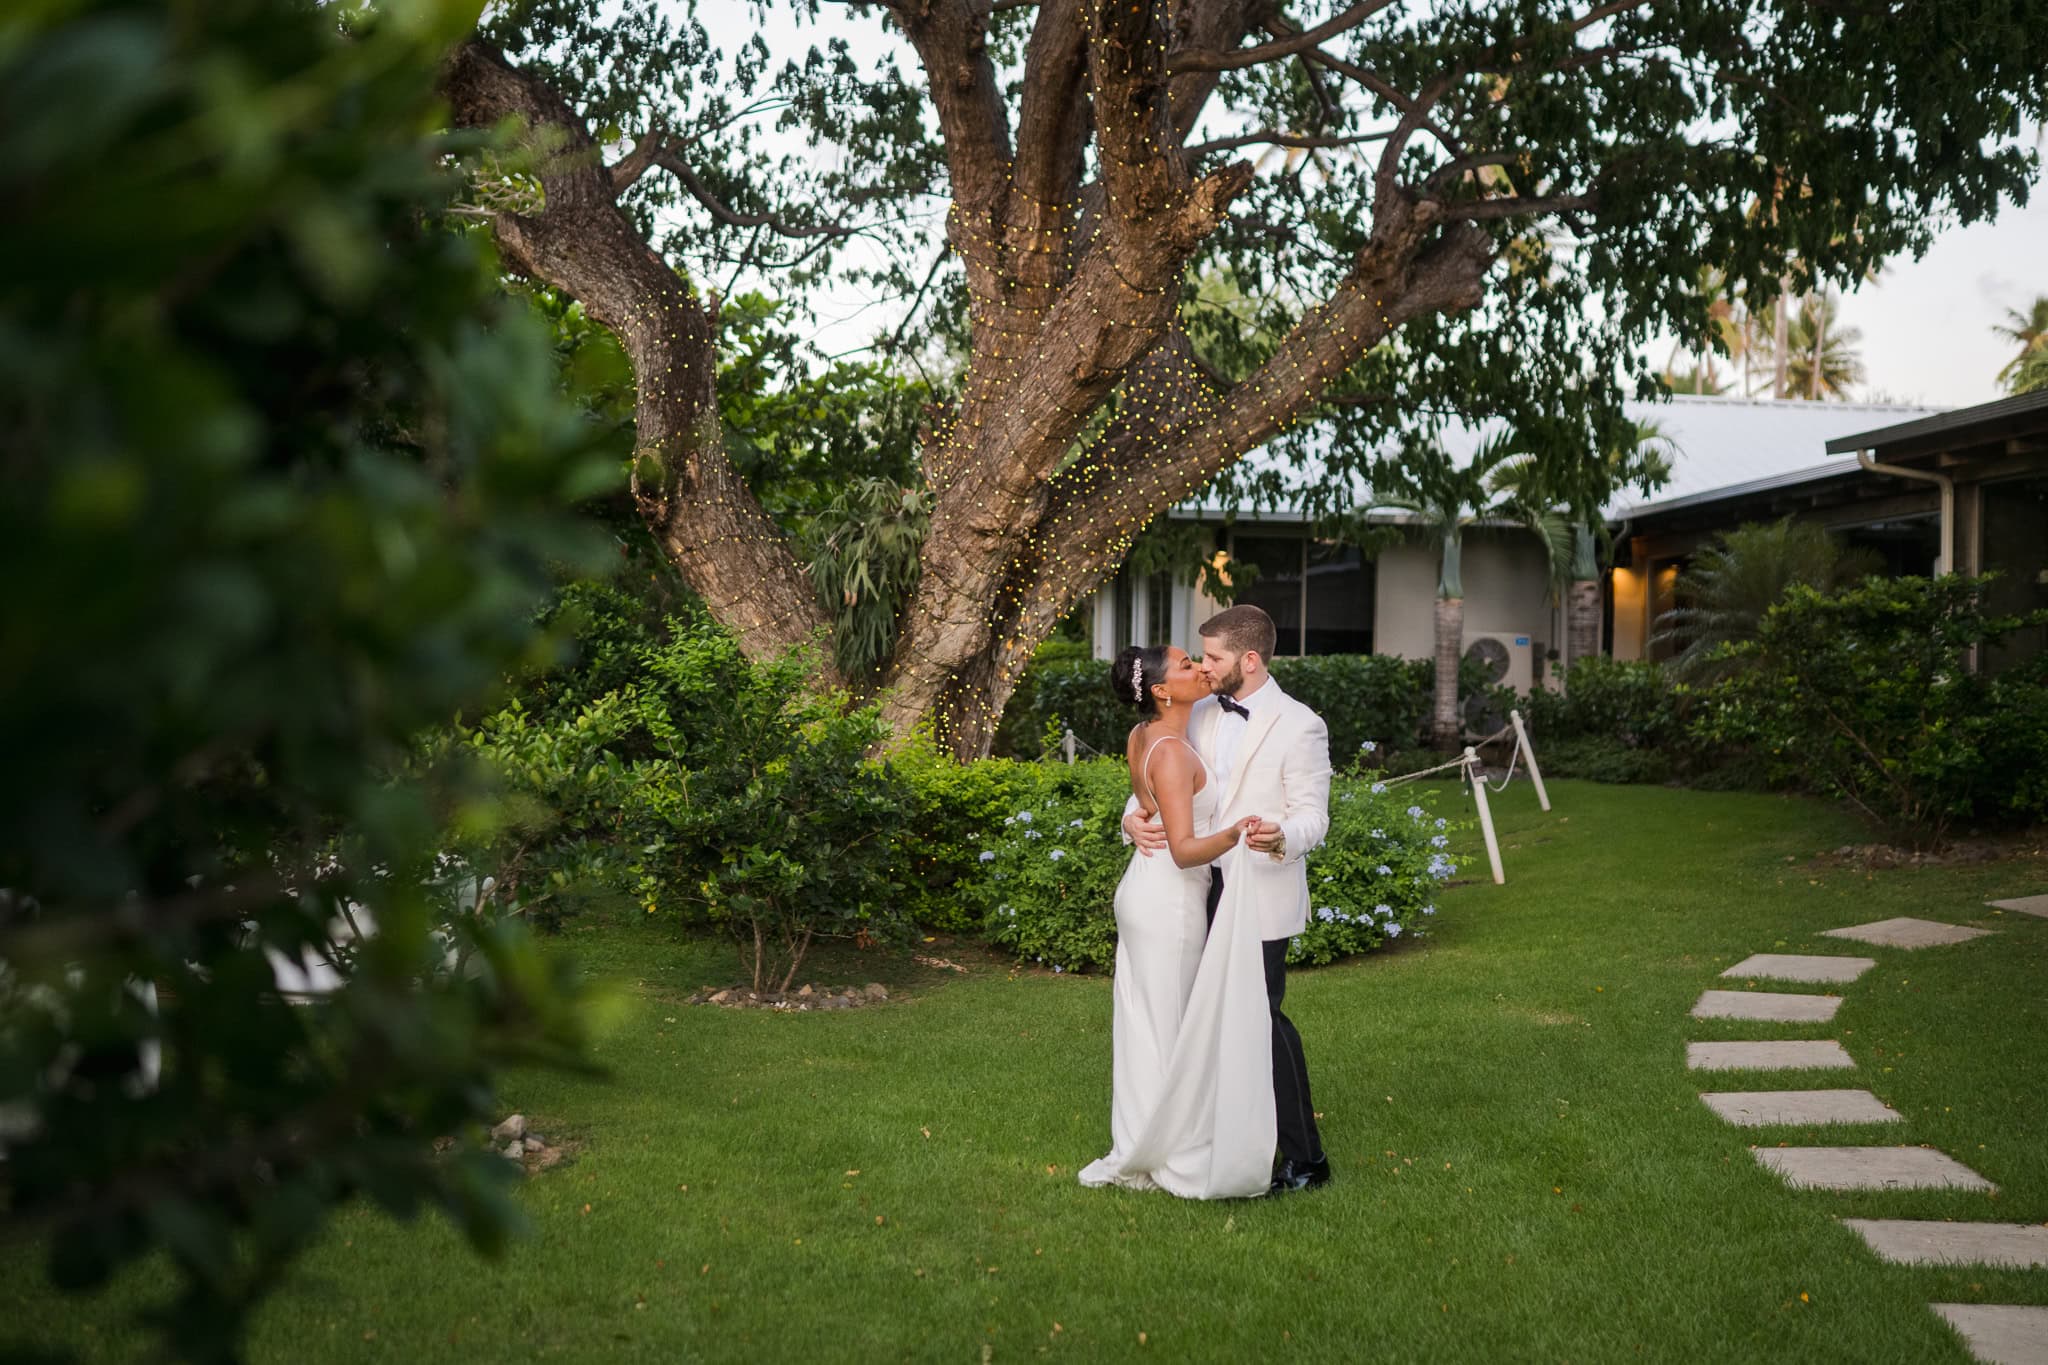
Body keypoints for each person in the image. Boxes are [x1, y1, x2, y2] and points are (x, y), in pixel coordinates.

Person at [1122, 605, 1334, 1196]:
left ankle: (1305, 1159)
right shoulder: (1196, 713)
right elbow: (1158, 782)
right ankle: (1215, 1138)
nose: (1205, 667)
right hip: (1192, 889)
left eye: (1213, 657)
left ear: (1249, 659)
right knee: (1204, 1021)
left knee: (1261, 1020)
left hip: (1258, 891)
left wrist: (1282, 836)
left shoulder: (1300, 725)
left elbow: (1314, 816)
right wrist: (1130, 824)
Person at [1077, 643, 1275, 1199]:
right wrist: (1237, 832)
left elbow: (1146, 810)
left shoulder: (1143, 735)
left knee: (1148, 1025)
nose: (1200, 668)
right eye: (1187, 664)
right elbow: (1186, 850)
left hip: (1146, 891)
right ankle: (1165, 1148)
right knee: (1166, 1027)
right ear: (1162, 689)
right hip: (1170, 902)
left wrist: (1134, 822)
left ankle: (1147, 1136)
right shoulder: (1169, 750)